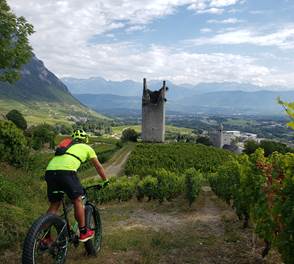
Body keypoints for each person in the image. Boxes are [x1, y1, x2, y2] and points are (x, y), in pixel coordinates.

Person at [44, 129, 108, 243]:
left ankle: (45, 237)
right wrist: (105, 180)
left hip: (50, 172)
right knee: (77, 200)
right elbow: (98, 167)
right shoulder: (87, 148)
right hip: (66, 172)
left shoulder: (66, 144)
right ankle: (83, 232)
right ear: (85, 140)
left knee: (54, 205)